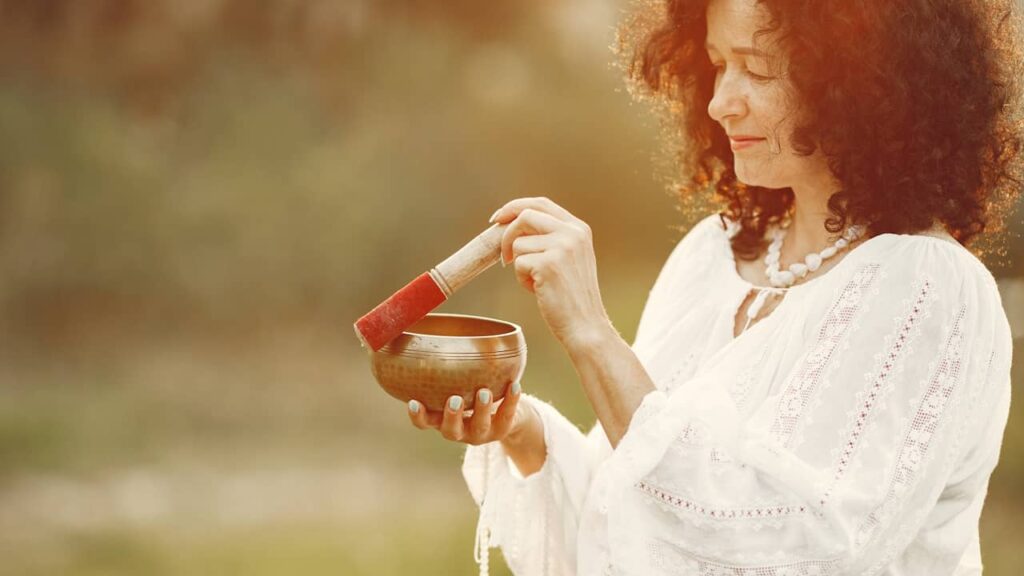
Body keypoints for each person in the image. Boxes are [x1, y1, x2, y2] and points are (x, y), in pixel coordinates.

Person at [405, 0, 1022, 573]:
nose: (720, 102)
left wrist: (593, 334)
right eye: (718, 65)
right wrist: (522, 433)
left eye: (757, 68)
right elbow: (621, 521)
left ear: (862, 84)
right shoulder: (713, 253)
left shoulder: (928, 290)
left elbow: (786, 551)